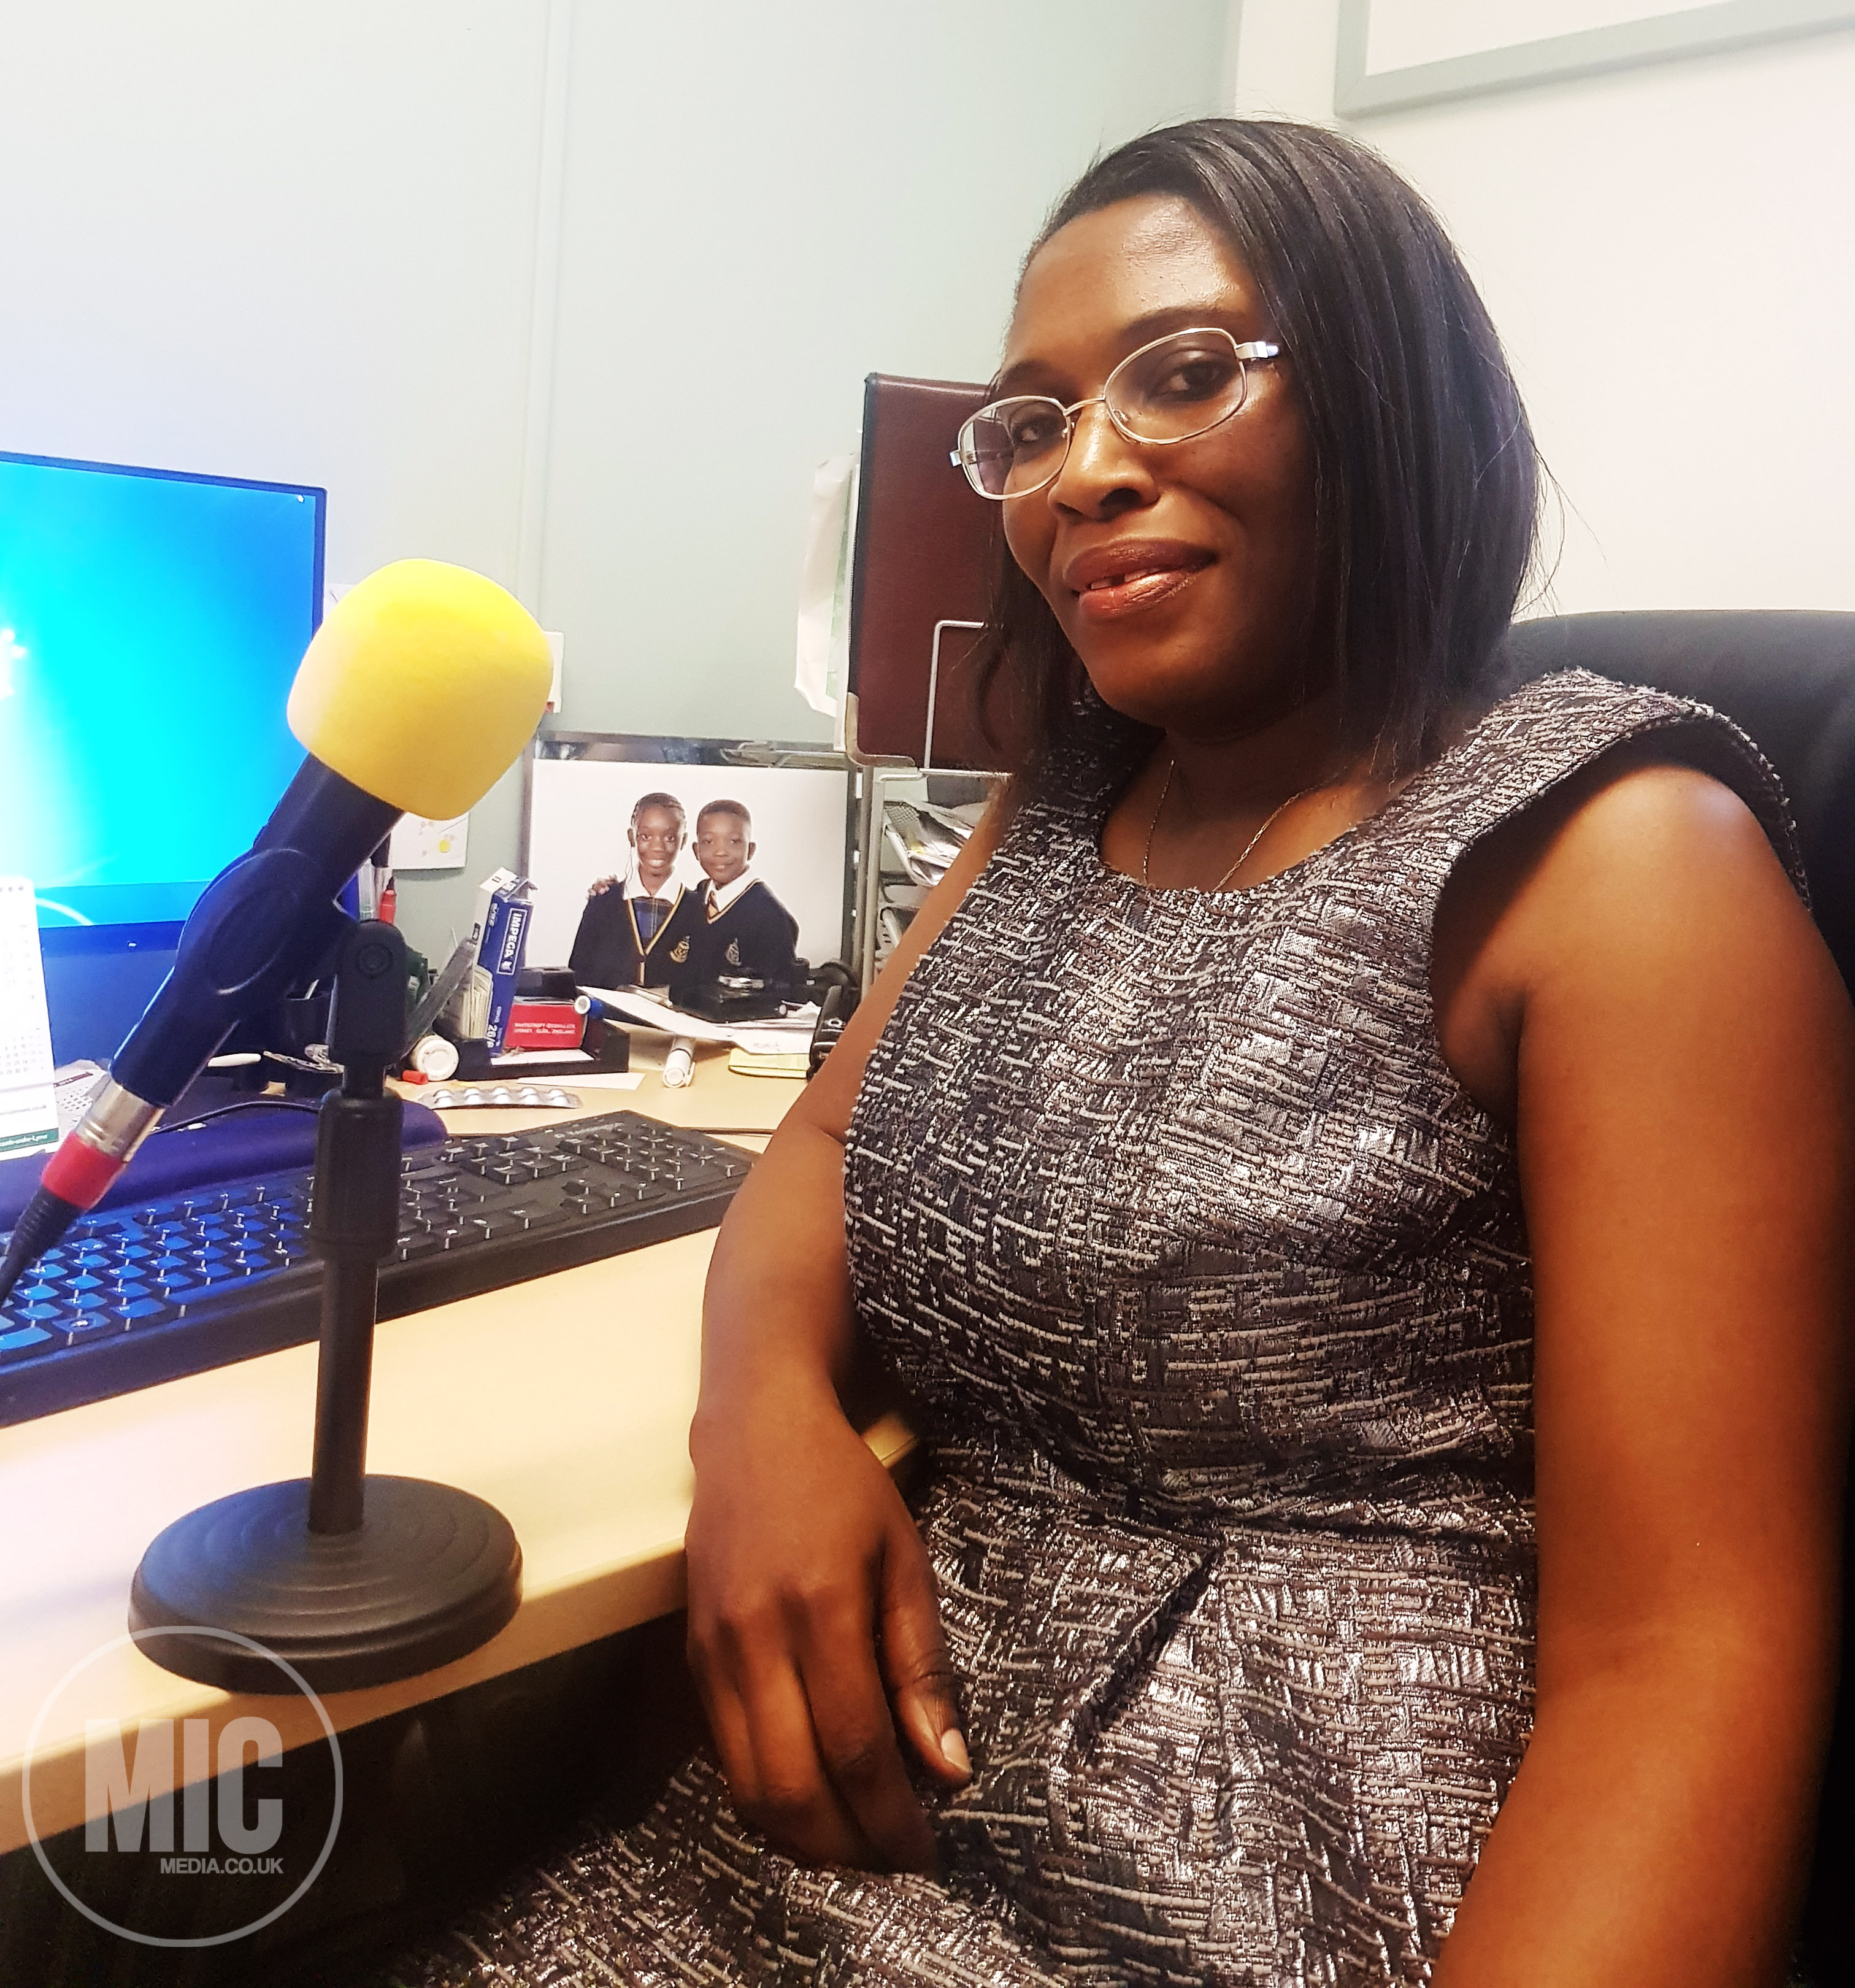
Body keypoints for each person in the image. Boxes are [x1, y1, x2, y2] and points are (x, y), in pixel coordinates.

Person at [404, 120, 1851, 1987]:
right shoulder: (1064, 804)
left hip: (1263, 1911)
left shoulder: (1617, 858)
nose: (1081, 473)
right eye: (1031, 421)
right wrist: (759, 1412)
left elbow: (1688, 1669)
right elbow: (832, 1153)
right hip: (830, 1849)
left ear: (1392, 404)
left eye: (1183, 377)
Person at [567, 790, 702, 991]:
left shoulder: (697, 908)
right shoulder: (604, 901)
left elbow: (703, 981)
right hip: (607, 1020)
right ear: (632, 837)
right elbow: (579, 976)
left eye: (670, 838)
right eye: (646, 836)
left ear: (683, 841)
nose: (657, 846)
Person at [687, 798, 800, 985]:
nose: (720, 852)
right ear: (696, 850)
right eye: (708, 841)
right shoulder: (700, 895)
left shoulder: (768, 914)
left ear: (751, 850)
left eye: (734, 841)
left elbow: (780, 987)